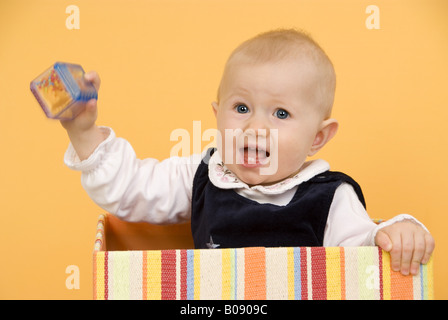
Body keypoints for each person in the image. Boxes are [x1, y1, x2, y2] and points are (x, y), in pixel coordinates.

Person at [62, 29, 434, 276]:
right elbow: (130, 190)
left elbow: (362, 256)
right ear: (216, 114)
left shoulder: (331, 198)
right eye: (241, 108)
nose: (255, 128)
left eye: (282, 113)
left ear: (318, 138)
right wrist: (83, 132)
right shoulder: (203, 174)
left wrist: (396, 231)